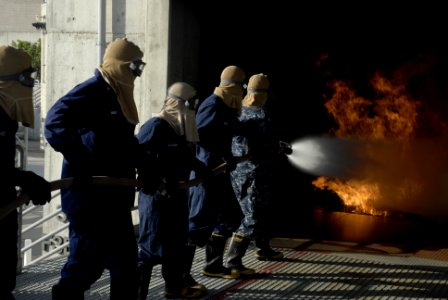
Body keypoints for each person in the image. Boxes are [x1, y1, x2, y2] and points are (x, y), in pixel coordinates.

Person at [44, 38, 145, 300]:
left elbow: (125, 143)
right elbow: (54, 121)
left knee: (125, 265)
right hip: (90, 199)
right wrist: (81, 161)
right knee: (85, 267)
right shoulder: (93, 90)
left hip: (114, 199)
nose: (137, 73)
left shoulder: (117, 95)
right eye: (134, 66)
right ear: (119, 65)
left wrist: (147, 166)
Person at [136, 82, 209, 299]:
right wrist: (155, 178)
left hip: (176, 195)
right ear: (180, 102)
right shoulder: (155, 126)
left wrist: (203, 169)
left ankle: (175, 287)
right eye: (191, 103)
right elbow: (140, 156)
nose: (193, 108)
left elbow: (185, 157)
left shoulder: (178, 128)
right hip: (157, 199)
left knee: (176, 244)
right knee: (150, 248)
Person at [188, 65, 252, 279]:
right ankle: (179, 278)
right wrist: (219, 157)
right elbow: (200, 135)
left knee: (231, 216)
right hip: (207, 174)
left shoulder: (225, 106)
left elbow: (233, 127)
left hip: (220, 173)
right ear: (233, 86)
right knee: (196, 226)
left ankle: (213, 265)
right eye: (242, 86)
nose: (243, 91)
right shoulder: (212, 105)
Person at [0, 45, 52, 300]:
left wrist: (21, 181)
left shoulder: (5, 116)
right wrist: (24, 178)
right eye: (25, 78)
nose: (30, 85)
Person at [226, 74, 287, 275]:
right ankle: (233, 261)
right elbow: (266, 146)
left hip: (238, 172)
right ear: (263, 94)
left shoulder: (237, 109)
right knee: (252, 215)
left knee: (262, 210)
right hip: (255, 173)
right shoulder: (260, 115)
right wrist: (280, 149)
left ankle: (263, 248)